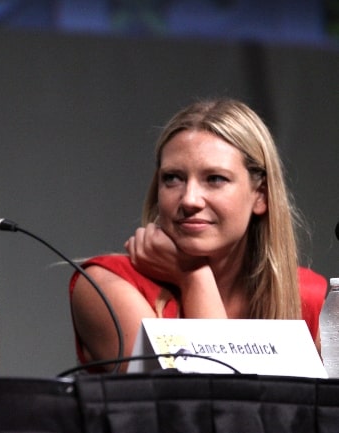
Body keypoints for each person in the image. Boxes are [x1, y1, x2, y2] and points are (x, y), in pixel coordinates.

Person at [69, 98, 327, 373]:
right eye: (173, 178)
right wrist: (193, 276)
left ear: (260, 196)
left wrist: (190, 275)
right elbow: (211, 405)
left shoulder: (309, 297)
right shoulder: (104, 285)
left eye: (215, 178)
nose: (190, 199)